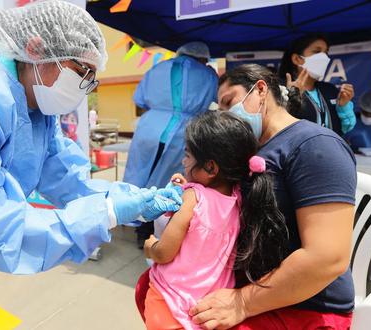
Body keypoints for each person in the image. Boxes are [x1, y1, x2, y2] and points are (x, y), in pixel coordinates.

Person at [0, 1, 181, 328]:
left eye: (92, 80)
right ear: (36, 48)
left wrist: (132, 199)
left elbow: (67, 179)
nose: (85, 87)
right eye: (81, 72)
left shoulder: (36, 107)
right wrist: (107, 213)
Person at [184, 64, 356, 329]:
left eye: (230, 102)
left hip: (304, 303)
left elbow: (327, 257)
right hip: (254, 286)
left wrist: (243, 302)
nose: (228, 116)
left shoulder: (315, 145)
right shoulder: (253, 150)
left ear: (261, 89)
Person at [140, 111, 288, 330]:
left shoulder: (193, 196)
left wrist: (150, 247)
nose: (183, 160)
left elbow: (164, 253)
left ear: (210, 167)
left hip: (170, 303)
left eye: (188, 155)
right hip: (208, 310)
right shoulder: (239, 199)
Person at [124, 41, 218, 248]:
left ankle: (134, 221)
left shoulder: (156, 68)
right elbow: (215, 101)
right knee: (168, 183)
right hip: (182, 132)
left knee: (138, 176)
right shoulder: (209, 75)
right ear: (203, 58)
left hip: (149, 128)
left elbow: (140, 99)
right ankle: (153, 230)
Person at [278, 34, 356, 136]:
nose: (324, 57)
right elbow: (278, 128)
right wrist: (292, 97)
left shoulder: (330, 90)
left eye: (326, 52)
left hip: (331, 150)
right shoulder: (280, 89)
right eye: (317, 51)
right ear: (297, 59)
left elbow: (346, 127)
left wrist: (343, 106)